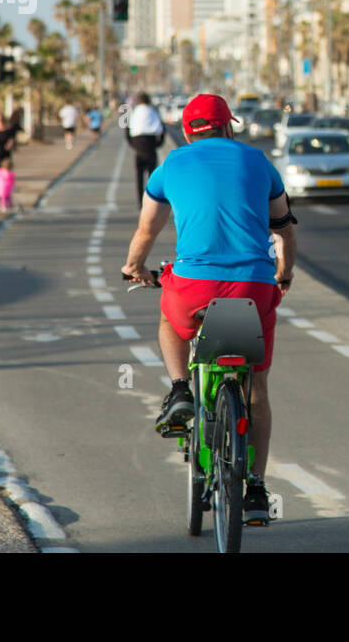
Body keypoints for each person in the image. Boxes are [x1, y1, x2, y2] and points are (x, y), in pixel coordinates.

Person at [121, 94, 297, 526]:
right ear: (228, 127)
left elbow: (147, 227)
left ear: (186, 131)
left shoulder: (170, 167)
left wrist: (133, 267)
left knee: (169, 320)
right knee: (257, 387)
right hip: (254, 285)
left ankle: (181, 389)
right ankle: (255, 488)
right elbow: (285, 230)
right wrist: (284, 274)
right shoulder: (259, 163)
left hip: (194, 286)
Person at [125, 92, 166, 209]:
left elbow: (127, 130)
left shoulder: (135, 112)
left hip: (138, 148)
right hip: (151, 146)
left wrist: (133, 145)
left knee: (139, 178)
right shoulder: (153, 112)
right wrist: (159, 144)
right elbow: (162, 129)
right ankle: (153, 201)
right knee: (153, 178)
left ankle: (140, 202)